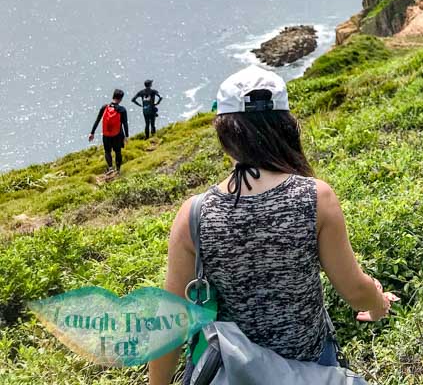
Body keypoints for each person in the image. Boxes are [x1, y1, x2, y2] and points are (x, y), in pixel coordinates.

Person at [149, 65, 397, 385]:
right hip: (310, 371)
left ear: (224, 134)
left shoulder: (194, 214)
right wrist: (377, 303)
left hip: (233, 374)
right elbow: (356, 291)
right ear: (287, 127)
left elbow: (171, 323)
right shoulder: (315, 197)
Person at [89, 88, 129, 175]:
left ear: (113, 96)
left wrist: (92, 133)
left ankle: (110, 168)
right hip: (117, 135)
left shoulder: (105, 107)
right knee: (118, 152)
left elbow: (97, 120)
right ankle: (118, 170)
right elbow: (125, 123)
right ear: (121, 99)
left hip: (106, 135)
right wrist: (126, 136)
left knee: (107, 152)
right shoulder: (122, 109)